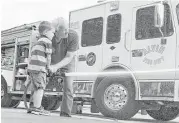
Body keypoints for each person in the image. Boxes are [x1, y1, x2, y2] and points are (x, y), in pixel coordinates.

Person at [50, 17, 79, 117]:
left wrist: (56, 67)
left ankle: (65, 114)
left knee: (69, 87)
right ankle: (34, 106)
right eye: (64, 29)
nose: (67, 31)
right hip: (52, 59)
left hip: (68, 62)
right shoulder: (49, 36)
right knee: (39, 79)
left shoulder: (73, 35)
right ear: (56, 31)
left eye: (68, 28)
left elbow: (69, 56)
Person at [27, 21, 55, 115]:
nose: (53, 35)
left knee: (34, 88)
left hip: (32, 68)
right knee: (40, 88)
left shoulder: (37, 42)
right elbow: (49, 57)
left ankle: (33, 106)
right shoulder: (48, 42)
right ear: (46, 32)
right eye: (53, 32)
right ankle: (38, 108)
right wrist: (49, 67)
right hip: (40, 68)